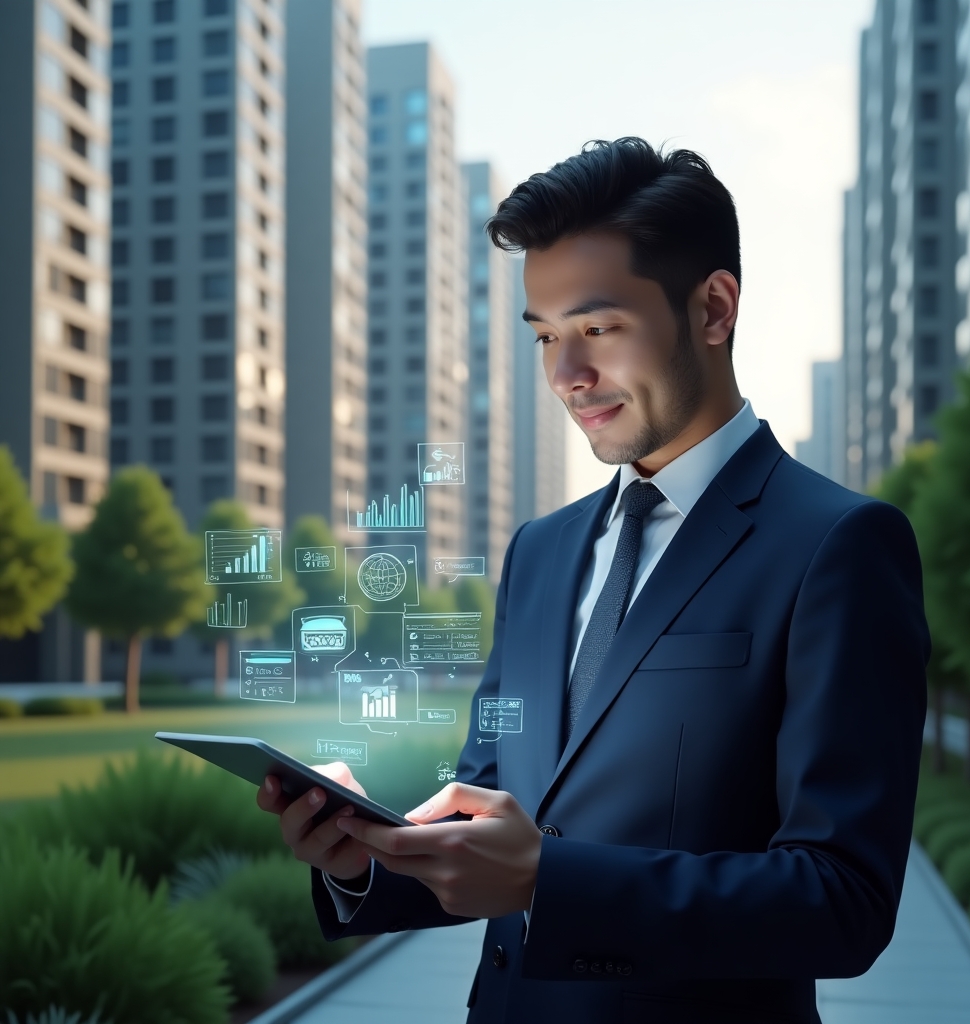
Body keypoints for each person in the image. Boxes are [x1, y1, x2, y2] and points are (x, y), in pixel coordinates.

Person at [258, 138, 929, 1023]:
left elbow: (842, 901)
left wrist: (548, 877)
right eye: (546, 338)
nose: (567, 377)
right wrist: (365, 859)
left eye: (599, 330)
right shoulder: (540, 551)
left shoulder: (839, 545)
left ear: (714, 309)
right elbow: (491, 811)